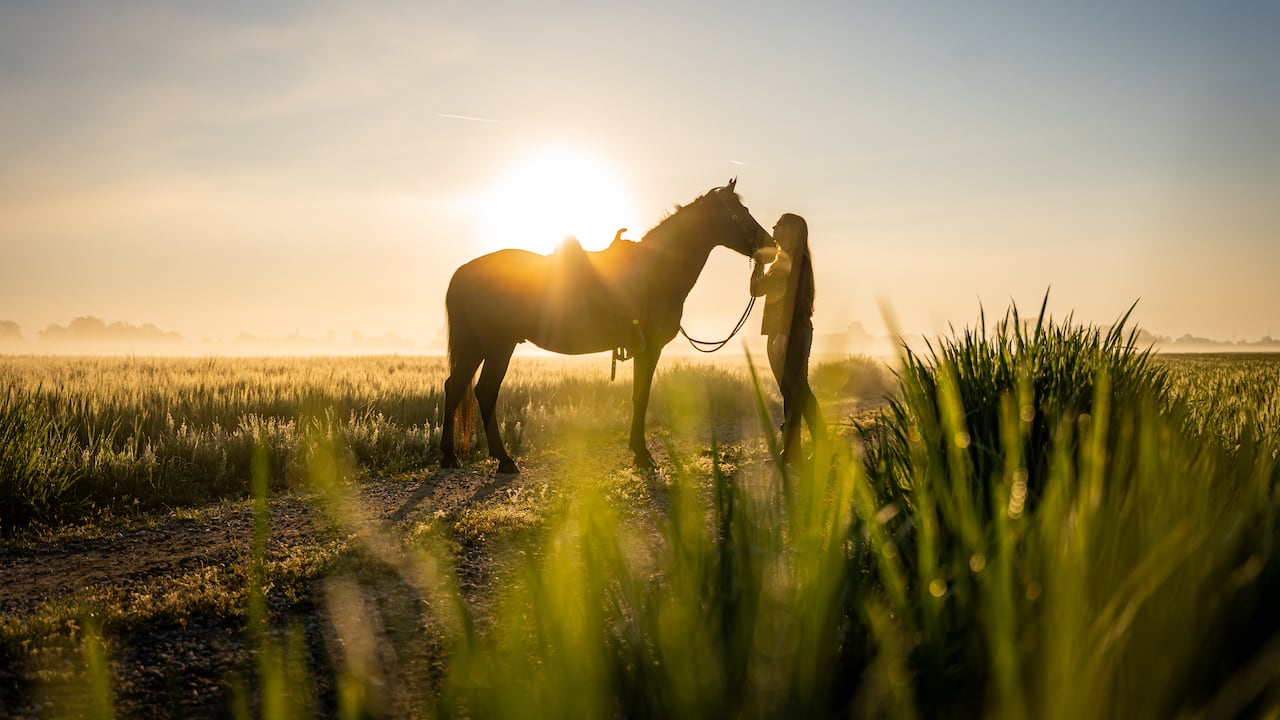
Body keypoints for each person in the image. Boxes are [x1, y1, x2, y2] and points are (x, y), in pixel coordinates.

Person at [750, 213, 825, 463]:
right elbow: (756, 290)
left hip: (793, 332)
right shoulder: (780, 262)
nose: (774, 227)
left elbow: (792, 300)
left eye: (779, 224)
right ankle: (792, 451)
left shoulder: (796, 261)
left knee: (798, 389)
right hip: (779, 333)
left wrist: (782, 334)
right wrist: (759, 263)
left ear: (791, 230)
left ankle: (821, 446)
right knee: (790, 392)